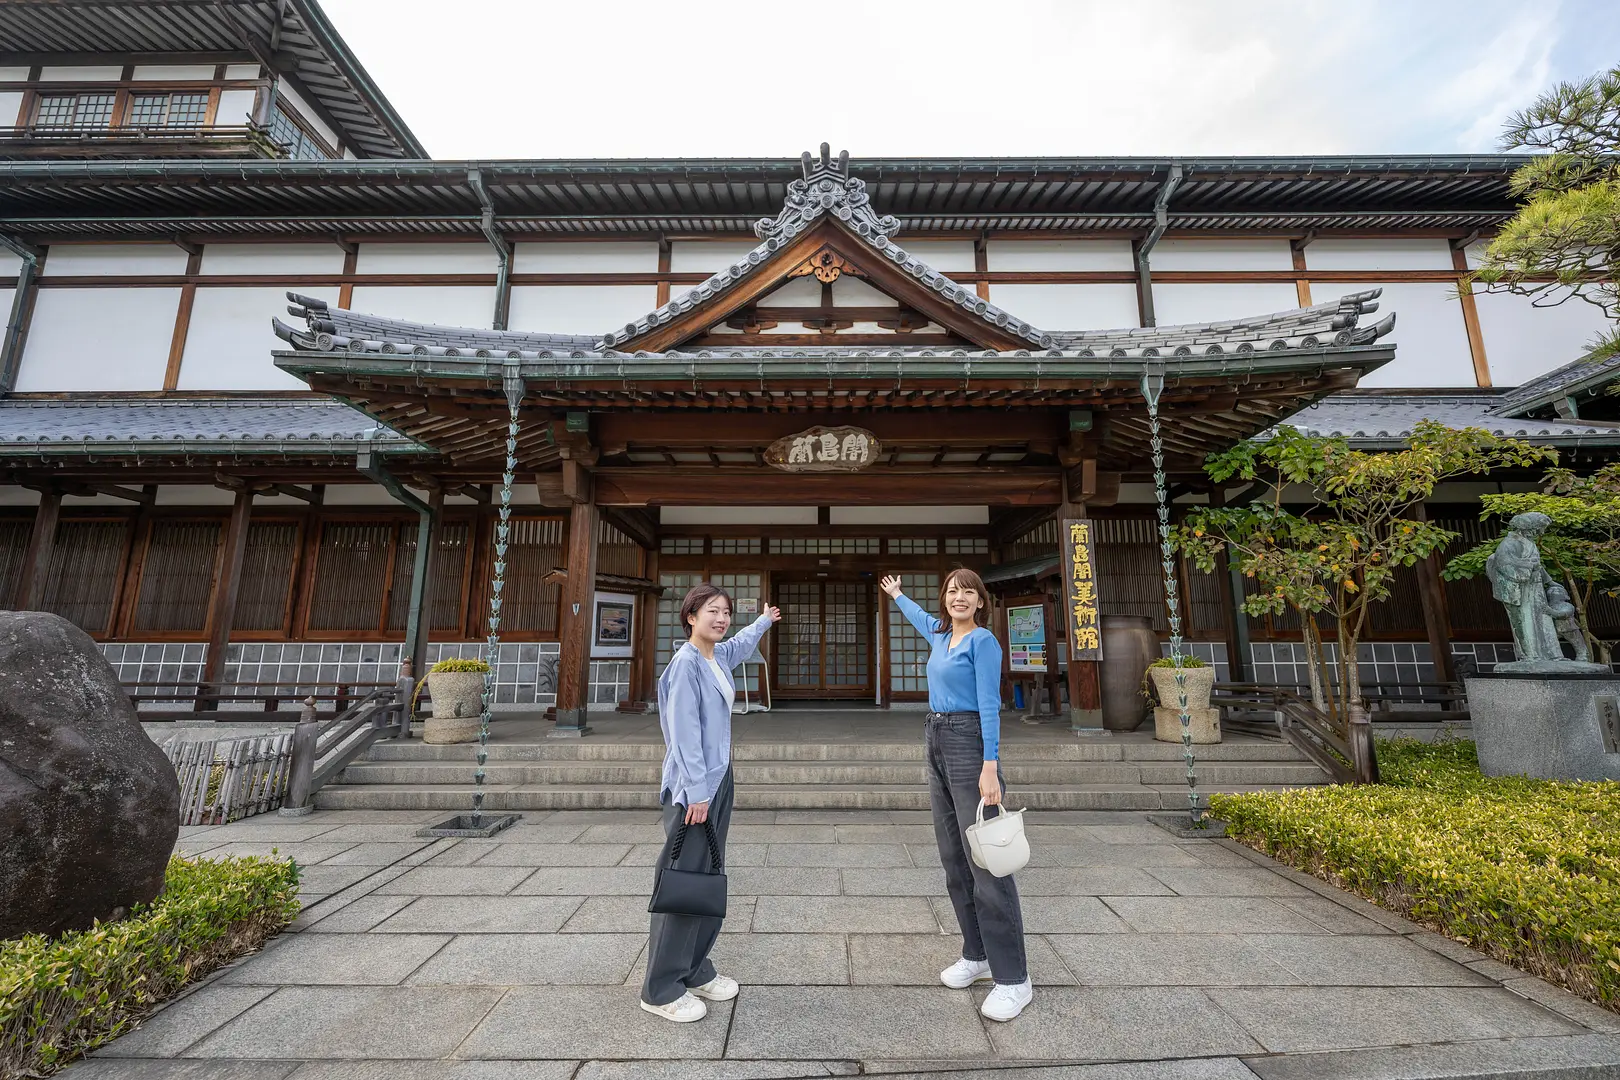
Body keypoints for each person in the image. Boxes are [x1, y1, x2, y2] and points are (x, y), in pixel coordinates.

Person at [881, 569, 1031, 1021]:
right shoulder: (941, 633)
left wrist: (990, 765)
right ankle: (977, 953)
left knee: (987, 862)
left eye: (968, 591)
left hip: (970, 744)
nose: (958, 597)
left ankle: (1013, 979)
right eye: (952, 591)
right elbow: (919, 617)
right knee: (953, 856)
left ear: (981, 600)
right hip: (936, 737)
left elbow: (990, 703)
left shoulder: (982, 642)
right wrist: (898, 595)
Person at [641, 583, 780, 1023]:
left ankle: (696, 968)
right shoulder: (684, 666)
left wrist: (763, 620)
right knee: (683, 881)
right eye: (711, 612)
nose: (720, 619)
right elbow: (682, 733)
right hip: (694, 788)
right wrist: (697, 792)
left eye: (724, 612)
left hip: (718, 781)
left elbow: (739, 645)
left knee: (706, 877)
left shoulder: (715, 656)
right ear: (690, 617)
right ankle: (661, 989)